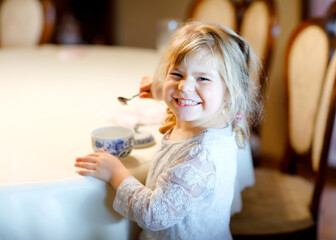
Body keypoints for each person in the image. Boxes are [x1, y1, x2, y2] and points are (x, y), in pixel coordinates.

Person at [75, 21, 262, 240]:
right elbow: (193, 94)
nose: (185, 87)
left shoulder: (200, 157)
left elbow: (155, 215)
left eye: (202, 78)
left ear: (230, 91)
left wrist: (116, 172)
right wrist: (163, 90)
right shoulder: (215, 119)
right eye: (177, 75)